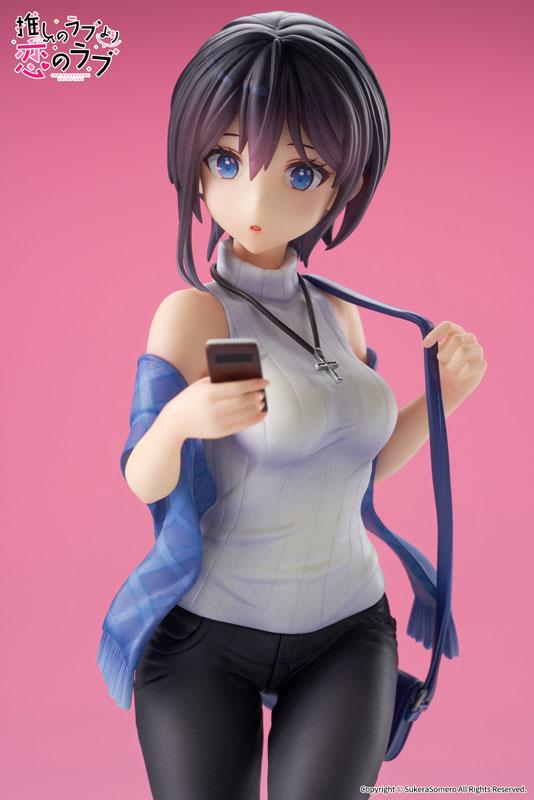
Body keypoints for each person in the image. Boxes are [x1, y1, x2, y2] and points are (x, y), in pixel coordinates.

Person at [115, 11, 487, 800]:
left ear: (344, 183)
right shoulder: (198, 316)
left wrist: (444, 397)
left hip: (347, 628)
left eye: (300, 170)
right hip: (209, 634)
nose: (254, 196)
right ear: (193, 164)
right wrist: (178, 422)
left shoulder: (340, 311)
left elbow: (357, 464)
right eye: (226, 160)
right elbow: (144, 479)